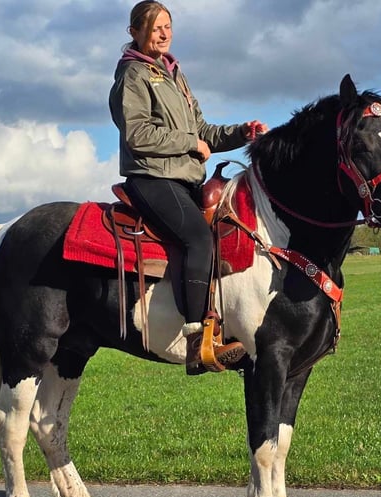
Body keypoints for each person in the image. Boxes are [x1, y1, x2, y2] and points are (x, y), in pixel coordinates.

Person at [109, 1, 267, 375]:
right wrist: (188, 143)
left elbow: (203, 131)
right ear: (135, 32)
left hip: (185, 178)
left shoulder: (174, 74)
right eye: (155, 27)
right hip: (151, 177)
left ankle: (228, 322)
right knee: (198, 239)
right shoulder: (133, 74)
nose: (164, 33)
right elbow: (138, 134)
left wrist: (240, 132)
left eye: (168, 26)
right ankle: (199, 343)